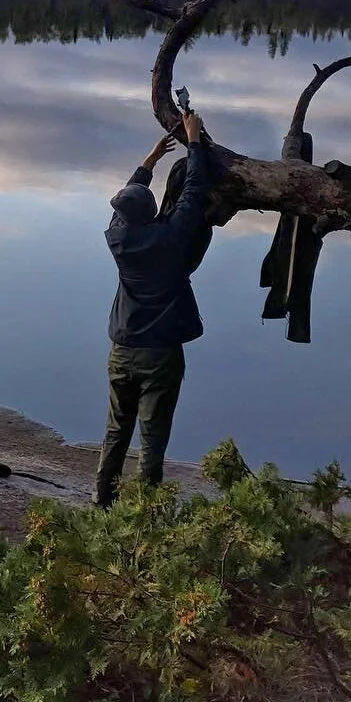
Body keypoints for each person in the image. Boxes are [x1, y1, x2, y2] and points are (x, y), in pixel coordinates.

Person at [93, 109, 213, 508]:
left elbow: (125, 202)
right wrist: (194, 142)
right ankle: (145, 513)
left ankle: (102, 500)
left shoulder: (117, 240)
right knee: (153, 436)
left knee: (115, 431)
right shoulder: (171, 238)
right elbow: (194, 192)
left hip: (122, 351)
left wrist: (150, 161)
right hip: (160, 355)